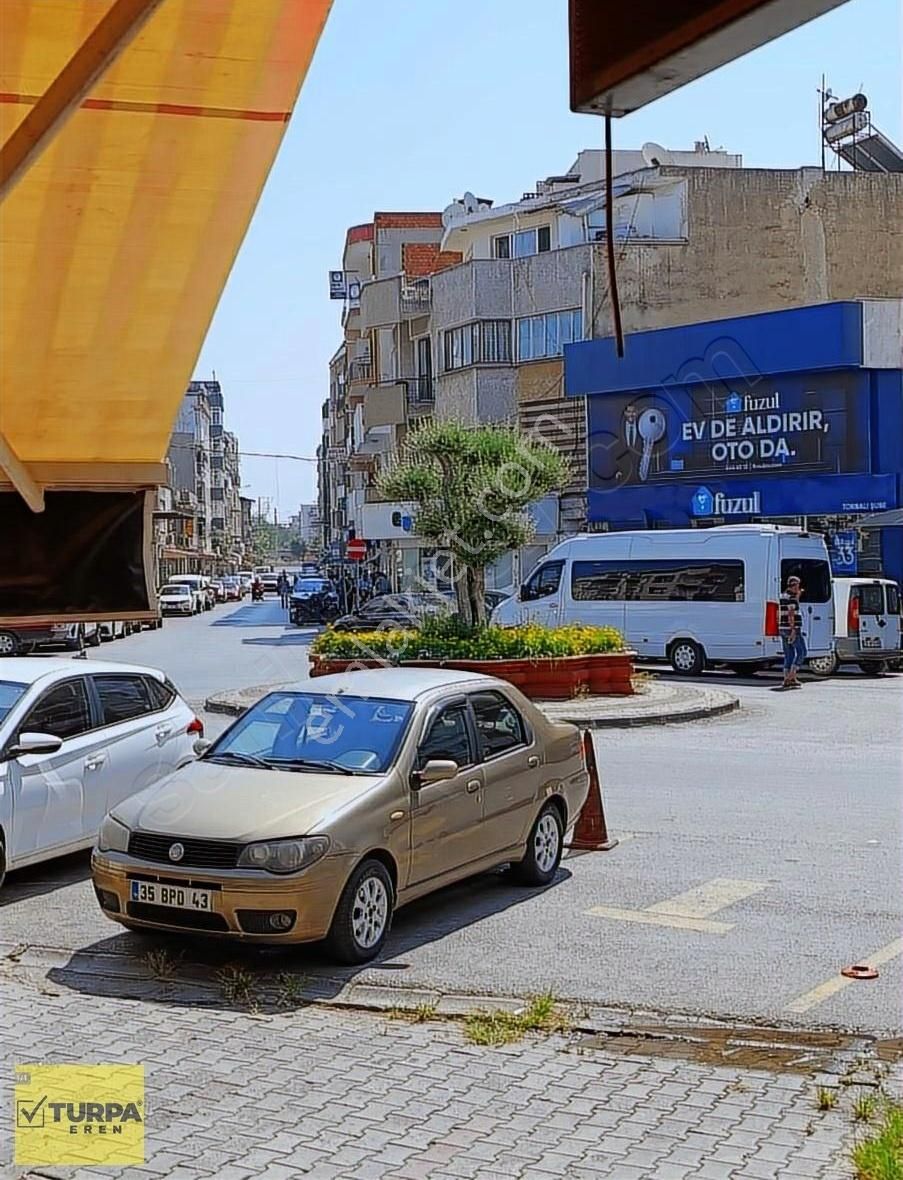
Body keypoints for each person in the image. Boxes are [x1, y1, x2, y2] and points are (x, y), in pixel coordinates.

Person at [779, 574, 806, 689]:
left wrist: (798, 597)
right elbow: (791, 614)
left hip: (782, 628)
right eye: (797, 585)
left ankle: (786, 678)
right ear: (793, 585)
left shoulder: (783, 596)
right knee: (802, 651)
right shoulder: (791, 598)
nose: (798, 587)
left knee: (789, 654)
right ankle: (792, 676)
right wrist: (793, 630)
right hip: (792, 629)